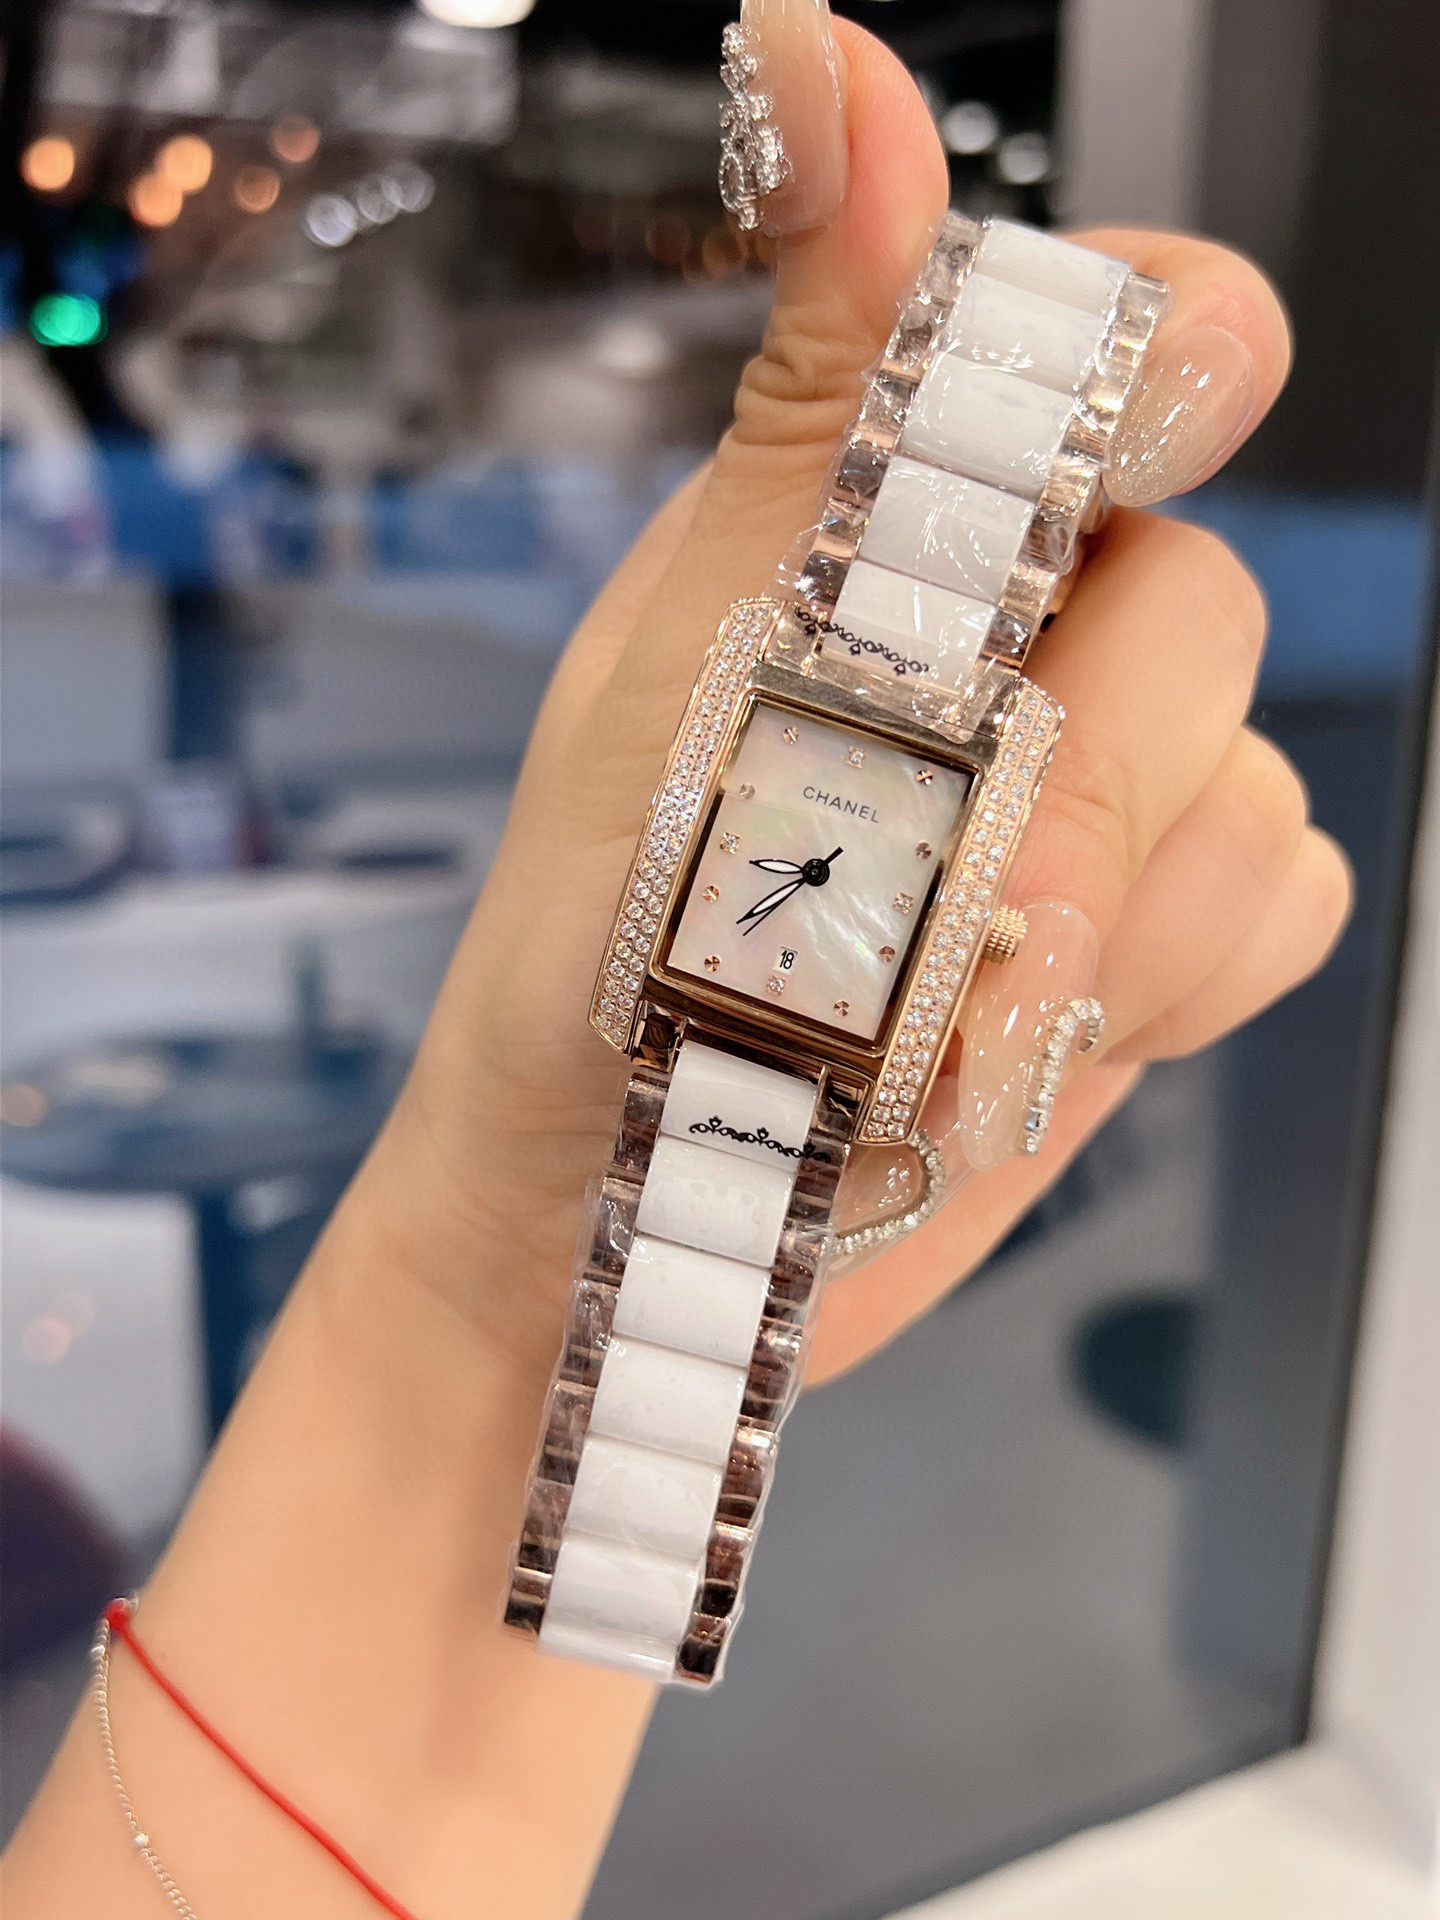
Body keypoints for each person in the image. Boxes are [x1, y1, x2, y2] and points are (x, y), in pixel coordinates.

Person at [3, 12, 1351, 1917]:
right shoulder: (753, 771)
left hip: (758, 1040)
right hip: (735, 1025)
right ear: (734, 716)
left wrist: (488, 1301)